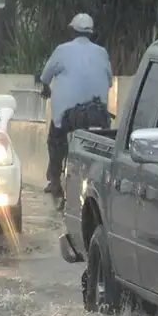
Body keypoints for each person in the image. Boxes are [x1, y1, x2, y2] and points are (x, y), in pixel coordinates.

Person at [39, 13, 113, 201]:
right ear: (91, 33)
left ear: (72, 31)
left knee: (55, 140)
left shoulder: (62, 50)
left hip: (68, 115)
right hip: (97, 113)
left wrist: (46, 87)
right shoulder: (102, 52)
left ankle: (54, 180)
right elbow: (110, 82)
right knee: (99, 147)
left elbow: (45, 77)